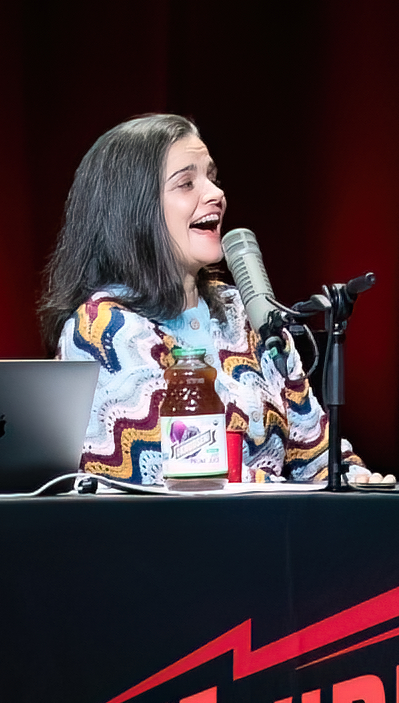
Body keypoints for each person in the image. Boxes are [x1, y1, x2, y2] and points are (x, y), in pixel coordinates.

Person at [39, 113, 335, 485]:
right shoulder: (102, 328)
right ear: (134, 210)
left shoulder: (244, 313)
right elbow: (172, 468)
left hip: (274, 533)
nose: (215, 195)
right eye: (186, 183)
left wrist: (356, 481)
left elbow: (316, 455)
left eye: (212, 178)